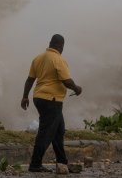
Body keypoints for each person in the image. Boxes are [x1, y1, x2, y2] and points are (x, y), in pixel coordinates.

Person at [21, 34, 82, 172]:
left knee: (59, 131)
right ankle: (35, 164)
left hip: (39, 98)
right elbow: (67, 81)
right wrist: (77, 88)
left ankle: (62, 163)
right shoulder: (58, 59)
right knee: (46, 132)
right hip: (51, 100)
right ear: (61, 46)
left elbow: (30, 79)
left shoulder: (38, 58)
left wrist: (25, 97)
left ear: (50, 43)